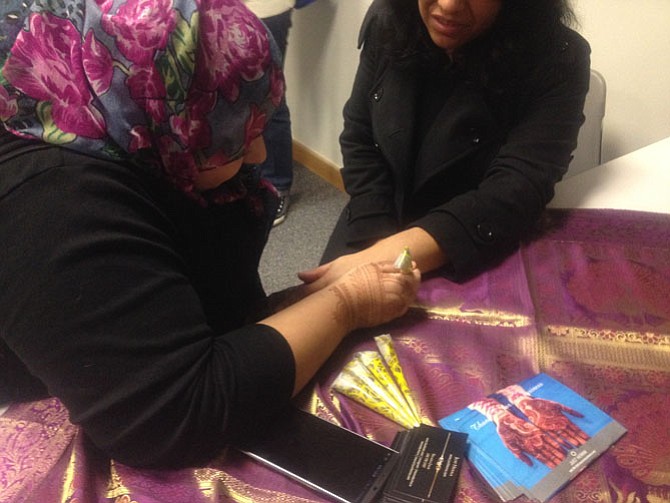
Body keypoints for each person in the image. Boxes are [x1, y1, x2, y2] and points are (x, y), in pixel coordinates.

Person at [0, 0, 420, 469]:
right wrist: (346, 304)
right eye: (233, 134)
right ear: (163, 111)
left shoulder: (127, 130)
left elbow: (203, 309)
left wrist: (294, 306)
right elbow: (173, 419)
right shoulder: (53, 205)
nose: (260, 152)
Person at [308, 0, 591, 288]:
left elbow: (517, 187)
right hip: (377, 214)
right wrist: (375, 239)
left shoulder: (557, 59)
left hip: (472, 238)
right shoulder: (391, 17)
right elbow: (359, 133)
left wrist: (392, 255)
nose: (448, 5)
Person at [243, 0, 296, 225]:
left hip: (264, 8)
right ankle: (248, 176)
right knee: (232, 97)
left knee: (269, 97)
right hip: (218, 8)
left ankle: (278, 186)